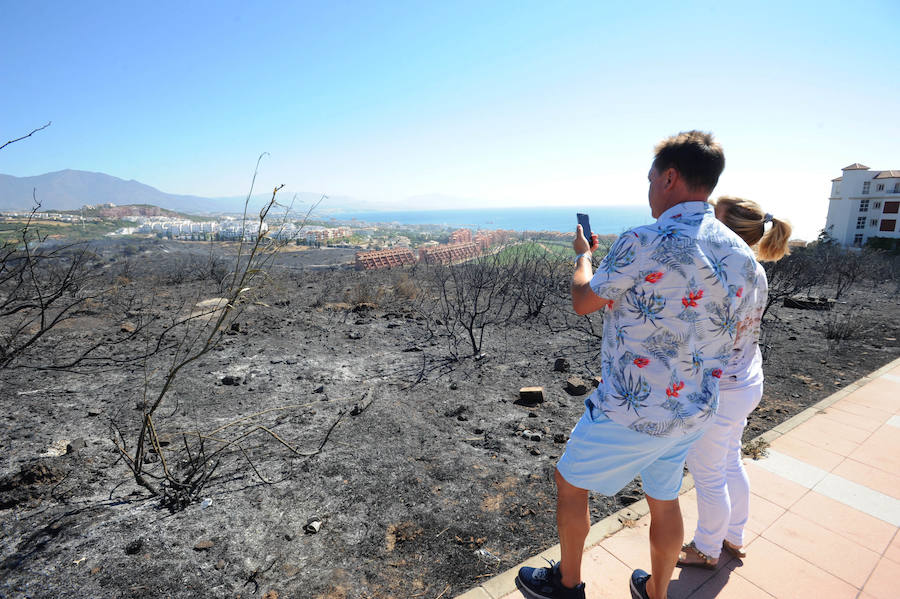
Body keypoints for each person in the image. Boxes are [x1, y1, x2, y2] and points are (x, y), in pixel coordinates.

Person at [516, 131, 761, 599]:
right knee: (664, 498)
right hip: (693, 409)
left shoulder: (644, 240)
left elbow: (584, 301)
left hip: (633, 408)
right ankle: (657, 593)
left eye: (651, 178)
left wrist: (584, 257)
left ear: (670, 177)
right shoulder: (741, 254)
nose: (648, 188)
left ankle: (567, 586)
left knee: (569, 483)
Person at [676, 197, 792, 569]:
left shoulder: (724, 273)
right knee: (730, 461)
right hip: (746, 380)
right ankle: (734, 536)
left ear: (723, 229)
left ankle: (706, 548)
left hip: (720, 389)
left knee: (708, 474)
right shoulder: (755, 270)